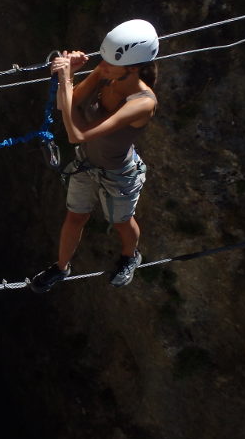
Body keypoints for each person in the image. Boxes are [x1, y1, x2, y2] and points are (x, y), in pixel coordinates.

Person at [30, 19, 159, 293]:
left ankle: (130, 256)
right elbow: (66, 104)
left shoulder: (142, 103)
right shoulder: (106, 72)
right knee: (74, 217)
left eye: (111, 62)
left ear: (133, 67)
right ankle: (61, 267)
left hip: (118, 173)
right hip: (87, 164)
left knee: (121, 221)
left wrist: (66, 79)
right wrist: (72, 76)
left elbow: (77, 133)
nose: (102, 65)